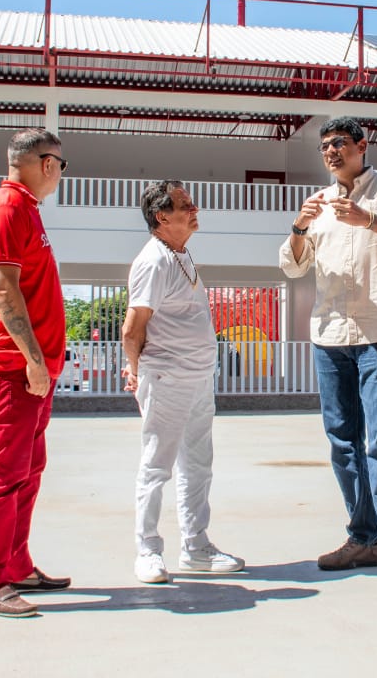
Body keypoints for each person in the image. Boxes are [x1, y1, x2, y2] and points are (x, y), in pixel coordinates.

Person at [279, 116, 377, 588]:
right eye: (324, 145)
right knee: (343, 443)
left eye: (339, 143)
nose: (330, 152)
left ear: (363, 145)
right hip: (328, 336)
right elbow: (291, 266)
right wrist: (300, 226)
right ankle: (364, 539)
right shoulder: (318, 203)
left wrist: (371, 220)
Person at [0, 128, 71, 618]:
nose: (60, 176)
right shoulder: (9, 209)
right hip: (13, 368)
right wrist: (32, 359)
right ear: (47, 163)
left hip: (33, 369)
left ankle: (16, 564)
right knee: (4, 474)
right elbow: (4, 289)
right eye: (62, 166)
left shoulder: (27, 209)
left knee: (27, 472)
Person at [122, 181, 244, 584]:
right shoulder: (153, 261)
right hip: (167, 376)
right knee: (157, 467)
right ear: (162, 217)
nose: (195, 209)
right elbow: (133, 326)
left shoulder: (181, 254)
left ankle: (196, 547)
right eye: (185, 205)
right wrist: (135, 370)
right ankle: (147, 551)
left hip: (197, 377)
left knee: (198, 466)